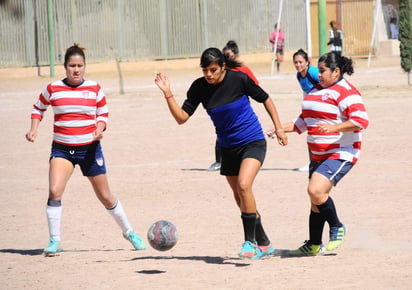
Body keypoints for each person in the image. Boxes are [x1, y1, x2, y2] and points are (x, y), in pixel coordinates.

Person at [154, 47, 288, 260]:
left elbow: (266, 99)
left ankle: (250, 243)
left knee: (244, 186)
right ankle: (264, 243)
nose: (209, 74)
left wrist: (279, 128)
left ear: (223, 67)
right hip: (228, 148)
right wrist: (167, 93)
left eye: (213, 69)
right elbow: (181, 117)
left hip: (253, 141)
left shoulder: (239, 79)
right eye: (205, 70)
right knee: (240, 197)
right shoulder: (199, 87)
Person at [25, 43, 146, 256]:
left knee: (105, 196)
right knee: (54, 191)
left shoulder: (94, 88)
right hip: (62, 150)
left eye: (80, 65)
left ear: (85, 66)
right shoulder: (53, 88)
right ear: (65, 66)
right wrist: (33, 129)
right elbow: (38, 107)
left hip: (89, 150)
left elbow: (103, 113)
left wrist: (99, 128)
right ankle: (55, 241)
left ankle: (129, 232)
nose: (76, 69)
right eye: (72, 65)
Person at [268, 52, 369, 256]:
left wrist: (334, 128)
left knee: (315, 190)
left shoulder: (346, 91)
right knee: (317, 199)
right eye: (319, 70)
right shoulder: (315, 90)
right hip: (317, 154)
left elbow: (361, 120)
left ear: (336, 71)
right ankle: (314, 243)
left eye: (322, 71)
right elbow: (302, 122)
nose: (319, 74)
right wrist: (279, 128)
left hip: (341, 152)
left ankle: (337, 226)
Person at [207, 40, 260, 172]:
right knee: (221, 135)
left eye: (228, 55)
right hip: (224, 110)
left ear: (235, 55)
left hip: (239, 108)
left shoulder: (242, 70)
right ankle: (218, 161)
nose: (226, 57)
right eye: (224, 55)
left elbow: (255, 86)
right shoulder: (221, 71)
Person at [292, 48, 320, 172]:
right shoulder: (299, 75)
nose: (298, 65)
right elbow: (306, 92)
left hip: (323, 107)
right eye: (296, 62)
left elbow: (329, 84)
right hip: (312, 109)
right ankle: (312, 164)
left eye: (300, 62)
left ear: (307, 62)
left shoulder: (313, 72)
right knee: (311, 135)